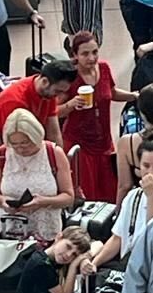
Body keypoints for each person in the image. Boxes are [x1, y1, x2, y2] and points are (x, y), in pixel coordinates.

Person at [58, 31, 136, 203]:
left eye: (95, 52)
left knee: (110, 194)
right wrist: (71, 105)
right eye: (85, 53)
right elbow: (54, 111)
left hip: (104, 142)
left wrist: (134, 96)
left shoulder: (104, 68)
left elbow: (112, 92)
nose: (91, 58)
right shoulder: (70, 77)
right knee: (87, 197)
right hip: (80, 144)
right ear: (75, 55)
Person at [0, 107, 74, 242]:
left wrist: (44, 202)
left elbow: (69, 197)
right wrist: (2, 201)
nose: (20, 149)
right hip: (9, 232)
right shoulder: (2, 154)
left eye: (25, 143)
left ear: (36, 136)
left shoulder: (54, 153)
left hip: (46, 233)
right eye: (14, 144)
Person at [96, 138, 153, 268]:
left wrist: (151, 196)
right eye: (146, 166)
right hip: (129, 265)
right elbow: (118, 238)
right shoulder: (133, 195)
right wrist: (95, 262)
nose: (151, 172)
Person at [0, 60, 73, 167]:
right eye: (58, 91)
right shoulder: (14, 101)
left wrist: (60, 163)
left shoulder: (48, 93)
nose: (58, 96)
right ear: (44, 82)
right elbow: (16, 145)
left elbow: (53, 133)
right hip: (6, 163)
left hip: (33, 156)